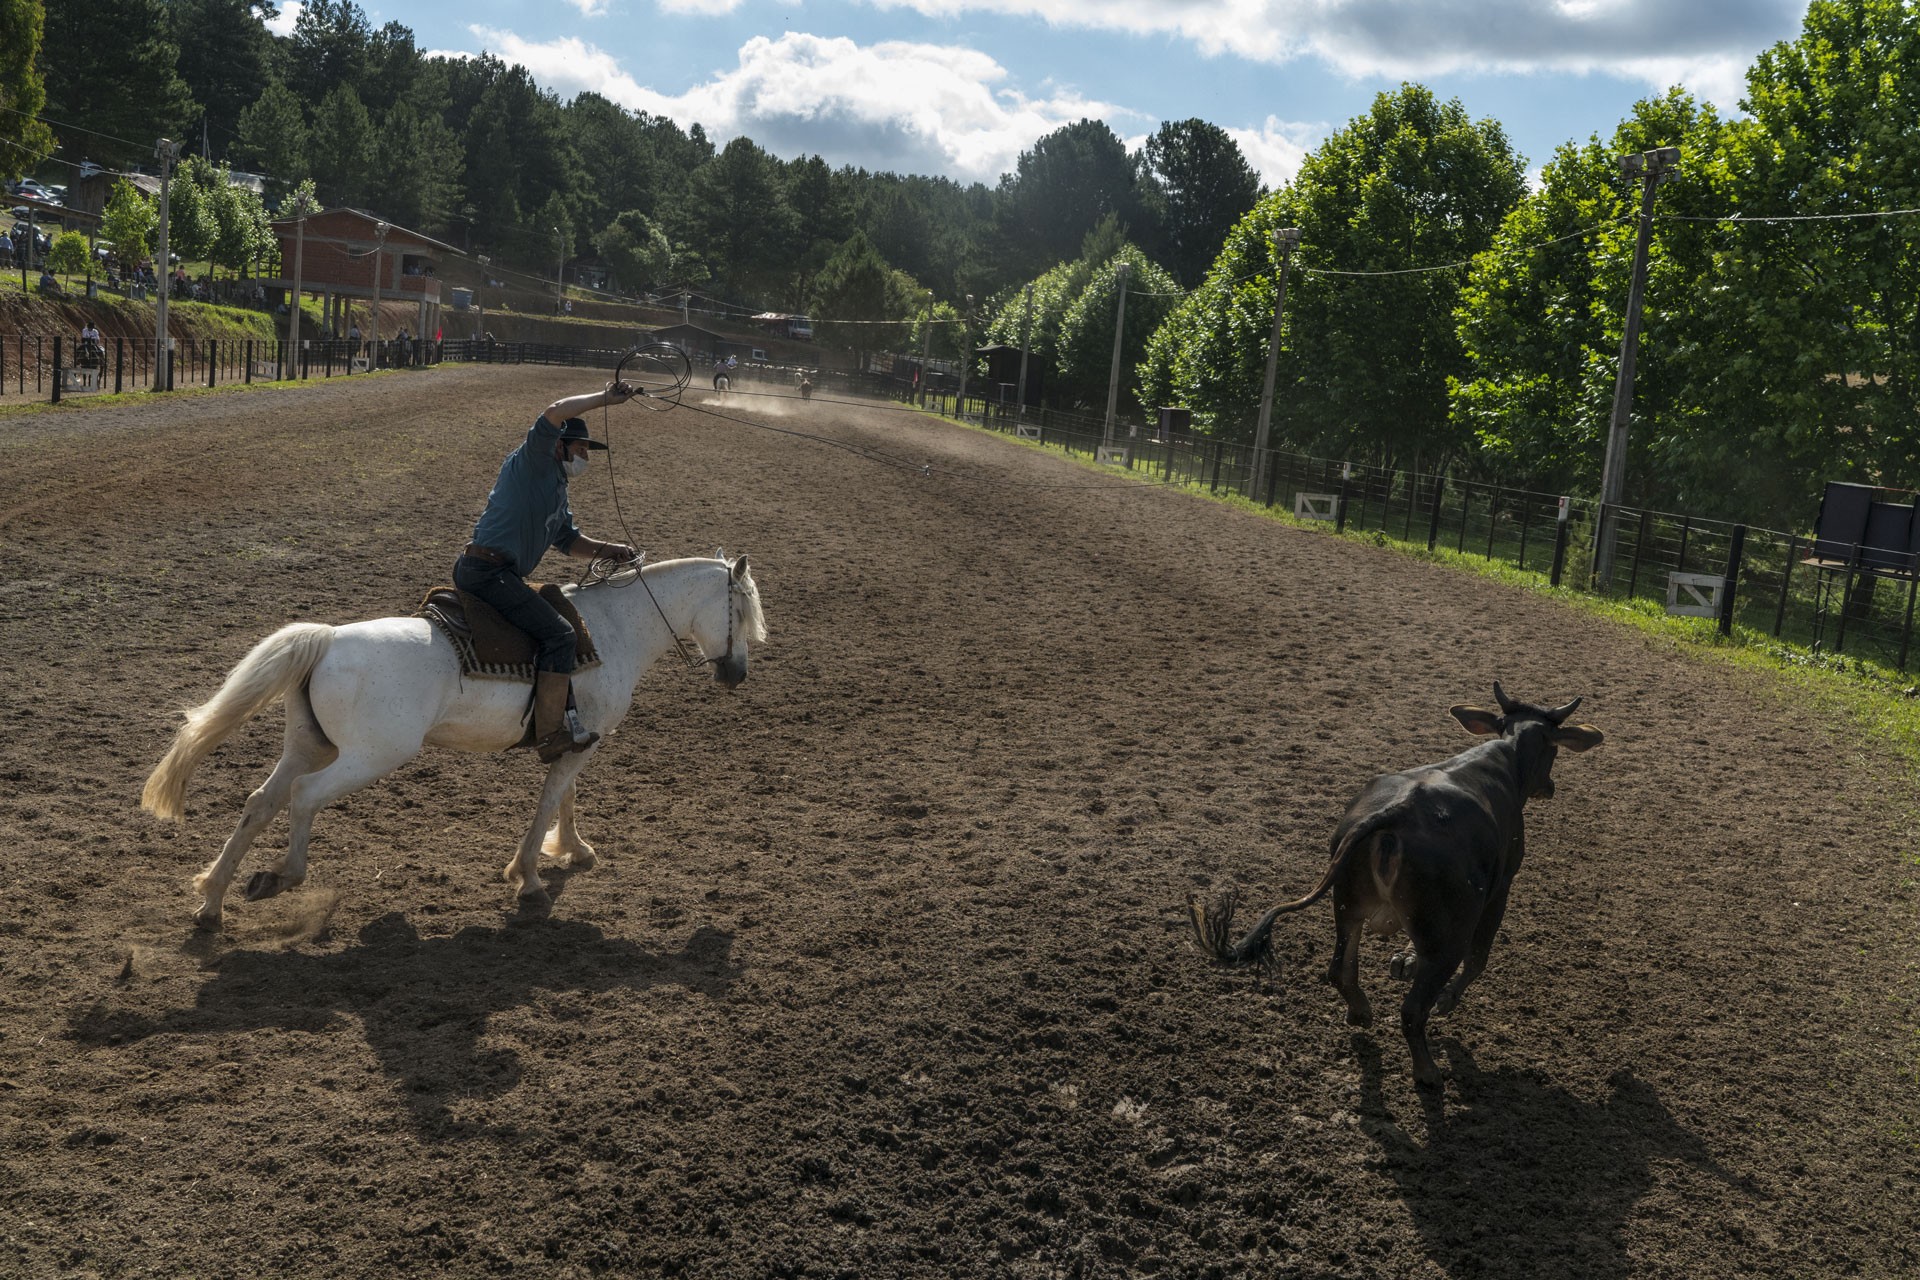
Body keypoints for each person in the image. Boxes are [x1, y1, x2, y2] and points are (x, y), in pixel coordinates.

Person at [456, 381, 639, 762]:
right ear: (559, 445)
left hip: (497, 572)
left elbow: (569, 541)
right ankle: (550, 733)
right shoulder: (535, 459)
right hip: (487, 571)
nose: (585, 455)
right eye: (581, 447)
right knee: (559, 634)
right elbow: (555, 410)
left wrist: (611, 551)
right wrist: (605, 399)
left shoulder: (556, 488)